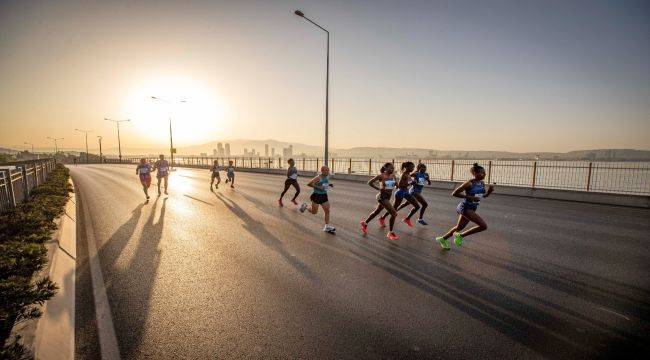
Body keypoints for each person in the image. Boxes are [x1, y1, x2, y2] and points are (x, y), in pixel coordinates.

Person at [435, 163, 494, 250]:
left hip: (473, 208)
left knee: (459, 227)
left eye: (484, 173)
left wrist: (489, 192)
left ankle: (443, 239)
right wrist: (470, 197)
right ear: (474, 173)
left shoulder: (482, 183)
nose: (484, 174)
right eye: (482, 173)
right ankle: (461, 236)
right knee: (483, 226)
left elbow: (482, 196)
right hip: (465, 207)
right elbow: (454, 193)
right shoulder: (469, 183)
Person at [359, 162, 400, 240]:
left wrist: (396, 184)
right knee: (394, 213)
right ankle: (390, 233)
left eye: (393, 168)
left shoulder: (393, 176)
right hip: (382, 197)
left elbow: (396, 186)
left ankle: (365, 223)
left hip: (388, 197)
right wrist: (378, 189)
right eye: (390, 168)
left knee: (376, 212)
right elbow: (370, 182)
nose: (392, 169)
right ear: (385, 168)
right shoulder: (381, 176)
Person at [377, 161, 420, 228]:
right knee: (394, 208)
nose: (413, 168)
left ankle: (407, 219)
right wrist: (410, 183)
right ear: (407, 167)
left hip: (406, 192)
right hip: (400, 192)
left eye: (413, 167)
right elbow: (399, 185)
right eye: (411, 167)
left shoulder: (409, 174)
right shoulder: (404, 174)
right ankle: (382, 218)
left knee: (417, 206)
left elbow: (410, 181)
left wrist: (414, 182)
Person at [300, 166, 335, 233]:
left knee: (327, 210)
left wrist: (329, 184)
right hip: (317, 196)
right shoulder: (318, 177)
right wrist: (319, 187)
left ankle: (327, 227)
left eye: (328, 170)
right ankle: (306, 207)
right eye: (325, 170)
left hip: (324, 196)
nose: (327, 172)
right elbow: (309, 183)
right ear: (322, 171)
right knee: (314, 212)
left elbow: (324, 184)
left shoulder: (327, 176)